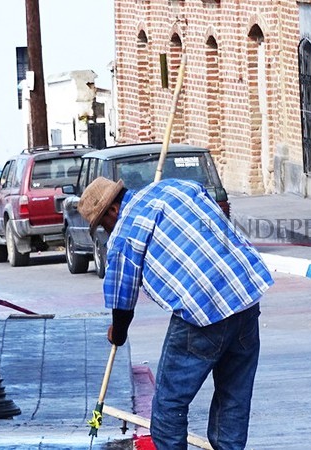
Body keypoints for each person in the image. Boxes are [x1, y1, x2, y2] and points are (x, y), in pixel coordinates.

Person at [78, 176, 273, 449]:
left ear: (112, 210)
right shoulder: (175, 187)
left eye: (102, 225)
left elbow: (123, 296)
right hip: (245, 292)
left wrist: (118, 332)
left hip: (202, 308)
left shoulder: (124, 232)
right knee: (234, 395)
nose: (105, 231)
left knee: (169, 405)